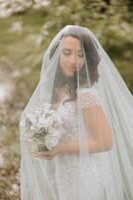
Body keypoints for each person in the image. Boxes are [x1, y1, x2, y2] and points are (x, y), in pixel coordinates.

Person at [19, 25, 133, 200]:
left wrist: (61, 148)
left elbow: (105, 142)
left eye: (80, 54)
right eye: (66, 53)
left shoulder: (86, 95)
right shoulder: (62, 88)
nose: (73, 60)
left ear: (89, 58)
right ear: (58, 55)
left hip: (85, 173)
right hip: (66, 168)